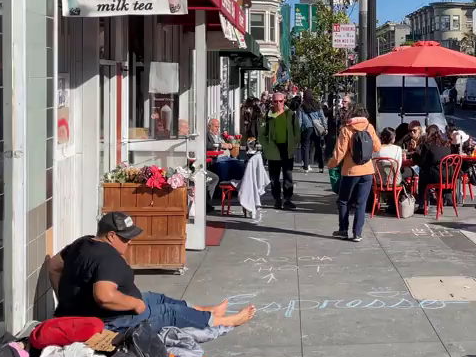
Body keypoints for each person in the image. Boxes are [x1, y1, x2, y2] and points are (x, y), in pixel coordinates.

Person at [48, 212, 256, 332]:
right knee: (170, 312)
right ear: (111, 236)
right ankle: (226, 321)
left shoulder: (82, 243)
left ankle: (206, 311)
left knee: (157, 298)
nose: (129, 242)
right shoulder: (108, 257)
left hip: (86, 313)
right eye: (125, 238)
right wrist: (135, 304)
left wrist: (67, 300)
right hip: (111, 322)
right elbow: (104, 296)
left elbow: (54, 266)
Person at [327, 105, 382, 241]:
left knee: (343, 201)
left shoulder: (346, 130)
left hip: (350, 172)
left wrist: (331, 165)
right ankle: (357, 233)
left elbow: (339, 153)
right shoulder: (369, 127)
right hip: (368, 171)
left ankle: (343, 230)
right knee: (361, 203)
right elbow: (377, 147)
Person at [260, 92, 301, 210]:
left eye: (280, 101)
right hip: (273, 148)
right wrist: (266, 146)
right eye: (275, 101)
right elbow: (261, 133)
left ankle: (287, 199)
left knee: (288, 175)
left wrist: (294, 144)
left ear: (284, 101)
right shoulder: (267, 116)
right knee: (274, 177)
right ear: (272, 102)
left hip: (287, 148)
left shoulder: (290, 114)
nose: (278, 103)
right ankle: (277, 199)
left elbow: (297, 130)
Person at [415, 124, 452, 214]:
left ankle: (422, 204)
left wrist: (416, 154)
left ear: (428, 133)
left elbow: (421, 163)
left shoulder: (427, 145)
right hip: (448, 176)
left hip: (436, 176)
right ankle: (446, 198)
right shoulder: (446, 144)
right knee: (426, 172)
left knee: (422, 174)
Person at [300, 89, 326, 173]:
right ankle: (321, 166)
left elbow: (300, 119)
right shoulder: (317, 105)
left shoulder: (302, 106)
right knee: (318, 147)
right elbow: (322, 117)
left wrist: (299, 129)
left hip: (307, 128)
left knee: (306, 147)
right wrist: (325, 127)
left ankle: (306, 166)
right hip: (316, 128)